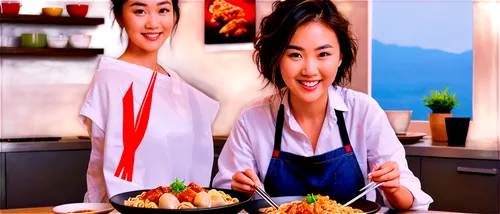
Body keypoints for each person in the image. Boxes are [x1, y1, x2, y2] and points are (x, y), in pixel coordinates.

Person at [212, 0, 433, 210]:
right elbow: (223, 198)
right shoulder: (252, 119)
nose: (309, 69)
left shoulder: (364, 112)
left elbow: (409, 200)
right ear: (277, 58)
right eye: (295, 54)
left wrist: (392, 187)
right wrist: (239, 189)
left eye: (323, 54)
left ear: (340, 58)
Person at [79, 0, 219, 203]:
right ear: (119, 17)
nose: (153, 23)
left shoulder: (176, 84)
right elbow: (114, 163)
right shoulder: (110, 79)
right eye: (140, 11)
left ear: (174, 14)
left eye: (163, 10)